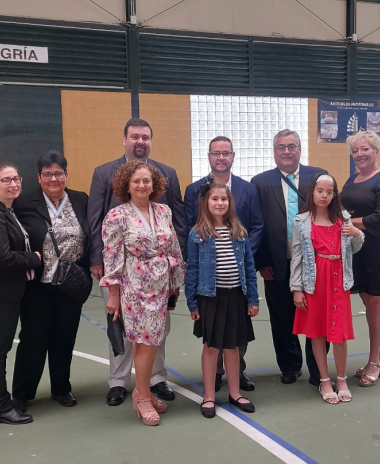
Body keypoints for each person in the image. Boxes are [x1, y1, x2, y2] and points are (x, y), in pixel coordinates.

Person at [88, 118, 187, 407]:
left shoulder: (166, 177)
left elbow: (177, 226)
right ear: (125, 139)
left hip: (159, 280)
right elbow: (94, 219)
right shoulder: (104, 174)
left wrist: (175, 277)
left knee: (157, 332)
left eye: (145, 136)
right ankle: (119, 382)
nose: (140, 141)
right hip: (123, 274)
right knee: (121, 329)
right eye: (134, 136)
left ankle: (155, 379)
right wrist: (99, 262)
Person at [101, 160, 184, 426]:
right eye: (136, 181)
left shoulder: (163, 211)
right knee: (145, 342)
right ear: (126, 185)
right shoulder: (117, 215)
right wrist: (113, 294)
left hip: (160, 287)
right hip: (134, 287)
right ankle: (144, 398)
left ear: (154, 184)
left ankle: (140, 391)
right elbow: (111, 257)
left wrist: (175, 282)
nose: (141, 185)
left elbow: (173, 248)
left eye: (146, 180)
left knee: (150, 341)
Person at [11, 151, 91, 411]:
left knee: (65, 337)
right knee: (33, 337)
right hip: (38, 285)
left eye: (58, 173)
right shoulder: (24, 203)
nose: (53, 178)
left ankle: (61, 388)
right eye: (47, 174)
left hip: (71, 282)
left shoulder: (80, 199)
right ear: (39, 177)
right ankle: (22, 394)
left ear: (66, 175)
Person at [184, 135, 263, 392]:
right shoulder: (194, 190)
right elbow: (189, 231)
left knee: (236, 335)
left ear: (232, 156)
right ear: (208, 156)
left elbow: (257, 225)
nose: (221, 157)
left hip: (236, 277)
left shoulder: (247, 189)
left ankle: (236, 373)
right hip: (210, 283)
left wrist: (239, 254)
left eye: (225, 153)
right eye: (215, 153)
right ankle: (215, 375)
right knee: (213, 335)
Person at [252, 129, 326, 385]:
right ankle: (290, 365)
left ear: (299, 149)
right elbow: (256, 225)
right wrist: (262, 262)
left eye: (291, 146)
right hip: (276, 263)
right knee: (282, 317)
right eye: (281, 147)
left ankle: (319, 369)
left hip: (317, 263)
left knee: (317, 315)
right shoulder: (260, 182)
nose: (286, 151)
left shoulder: (317, 177)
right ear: (274, 152)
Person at [185, 182, 259, 419]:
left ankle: (235, 393)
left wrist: (252, 298)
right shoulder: (198, 233)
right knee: (211, 347)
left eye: (223, 199)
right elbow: (193, 269)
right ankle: (208, 395)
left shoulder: (239, 231)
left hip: (236, 295)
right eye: (214, 199)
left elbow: (249, 266)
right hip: (210, 298)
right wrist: (192, 302)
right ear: (206, 203)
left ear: (230, 203)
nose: (219, 203)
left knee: (233, 346)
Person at [290, 174, 364, 404]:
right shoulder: (301, 221)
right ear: (312, 192)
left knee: (339, 333)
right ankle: (324, 379)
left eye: (329, 192)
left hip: (338, 281)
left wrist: (358, 234)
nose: (324, 195)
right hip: (314, 282)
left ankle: (341, 379)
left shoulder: (343, 219)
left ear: (334, 195)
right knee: (318, 332)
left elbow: (356, 247)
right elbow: (297, 256)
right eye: (320, 191)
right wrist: (297, 288)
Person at [0, 163, 41, 425]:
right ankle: (1, 407)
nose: (13, 184)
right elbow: (3, 258)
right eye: (6, 180)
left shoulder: (6, 211)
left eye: (16, 178)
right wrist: (34, 258)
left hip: (3, 289)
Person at [340, 131, 380, 387]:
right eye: (355, 151)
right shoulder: (354, 178)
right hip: (356, 245)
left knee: (374, 301)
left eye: (365, 150)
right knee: (366, 298)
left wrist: (349, 222)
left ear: (376, 151)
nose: (359, 154)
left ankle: (374, 361)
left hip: (377, 247)